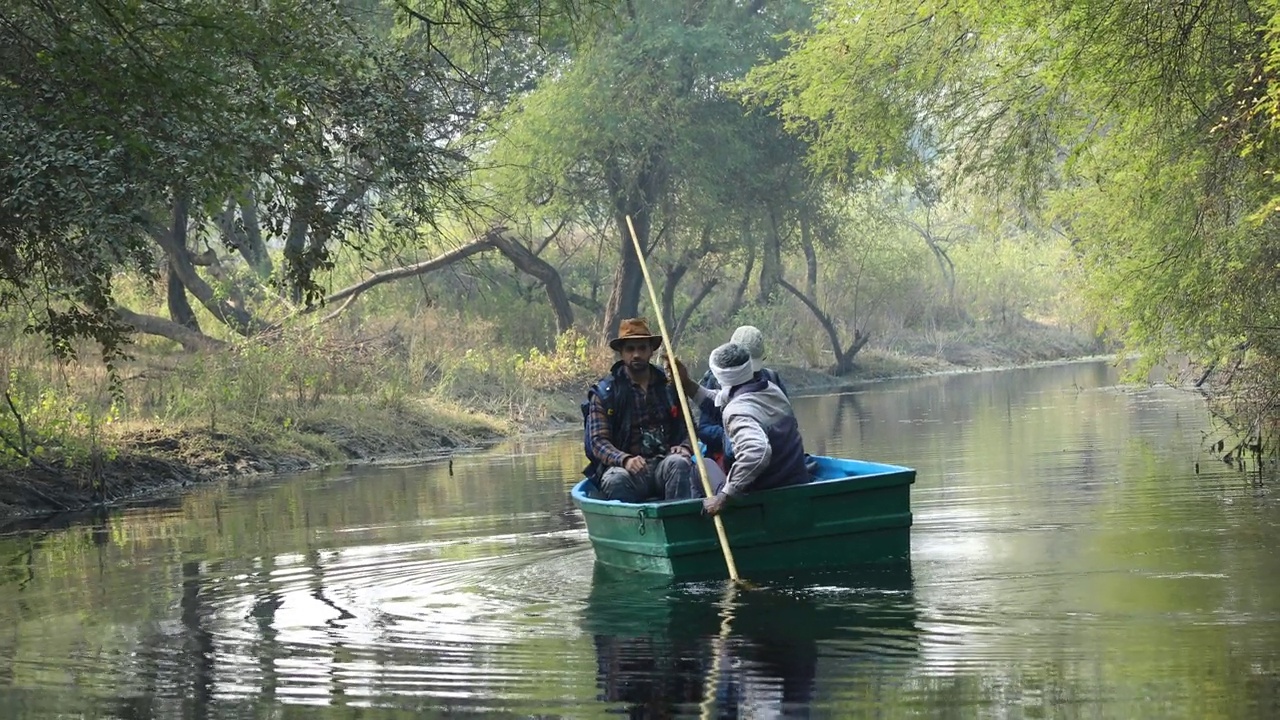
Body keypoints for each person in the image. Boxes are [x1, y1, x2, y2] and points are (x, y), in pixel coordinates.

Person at [676, 342, 809, 515]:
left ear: (719, 377)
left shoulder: (738, 411)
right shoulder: (771, 390)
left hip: (764, 492)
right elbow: (717, 400)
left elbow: (757, 452)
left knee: (703, 465)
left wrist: (724, 496)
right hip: (794, 481)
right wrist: (686, 384)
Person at [582, 318, 694, 502]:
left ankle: (677, 520)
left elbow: (690, 428)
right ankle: (631, 527)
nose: (636, 355)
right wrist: (624, 459)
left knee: (680, 463)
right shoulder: (605, 393)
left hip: (664, 464)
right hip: (627, 470)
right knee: (615, 479)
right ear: (621, 353)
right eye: (630, 349)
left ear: (651, 351)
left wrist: (685, 447)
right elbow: (598, 442)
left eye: (642, 348)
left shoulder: (668, 387)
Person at [695, 325, 788, 469]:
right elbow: (704, 429)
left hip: (772, 457)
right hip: (730, 457)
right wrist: (735, 436)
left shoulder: (771, 379)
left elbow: (787, 421)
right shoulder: (716, 381)